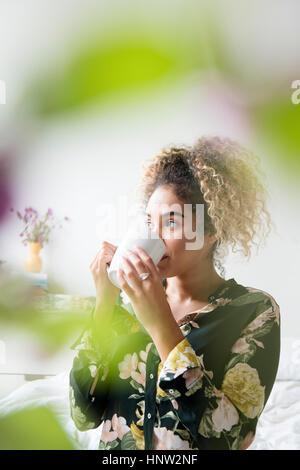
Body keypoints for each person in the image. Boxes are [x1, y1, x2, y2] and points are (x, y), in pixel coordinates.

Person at [69, 136, 280, 450]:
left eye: (172, 221)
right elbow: (83, 416)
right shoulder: (125, 306)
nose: (153, 235)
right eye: (150, 221)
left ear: (212, 230)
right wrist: (105, 305)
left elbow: (230, 440)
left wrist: (159, 323)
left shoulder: (254, 311)